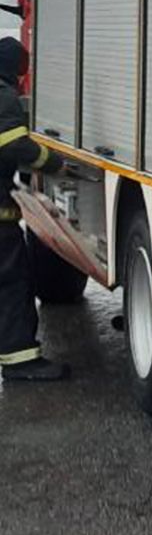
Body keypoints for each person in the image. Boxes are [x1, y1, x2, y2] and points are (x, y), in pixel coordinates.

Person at [0, 37, 67, 381]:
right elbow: (15, 147)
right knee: (12, 283)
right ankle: (20, 361)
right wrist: (55, 164)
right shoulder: (4, 97)